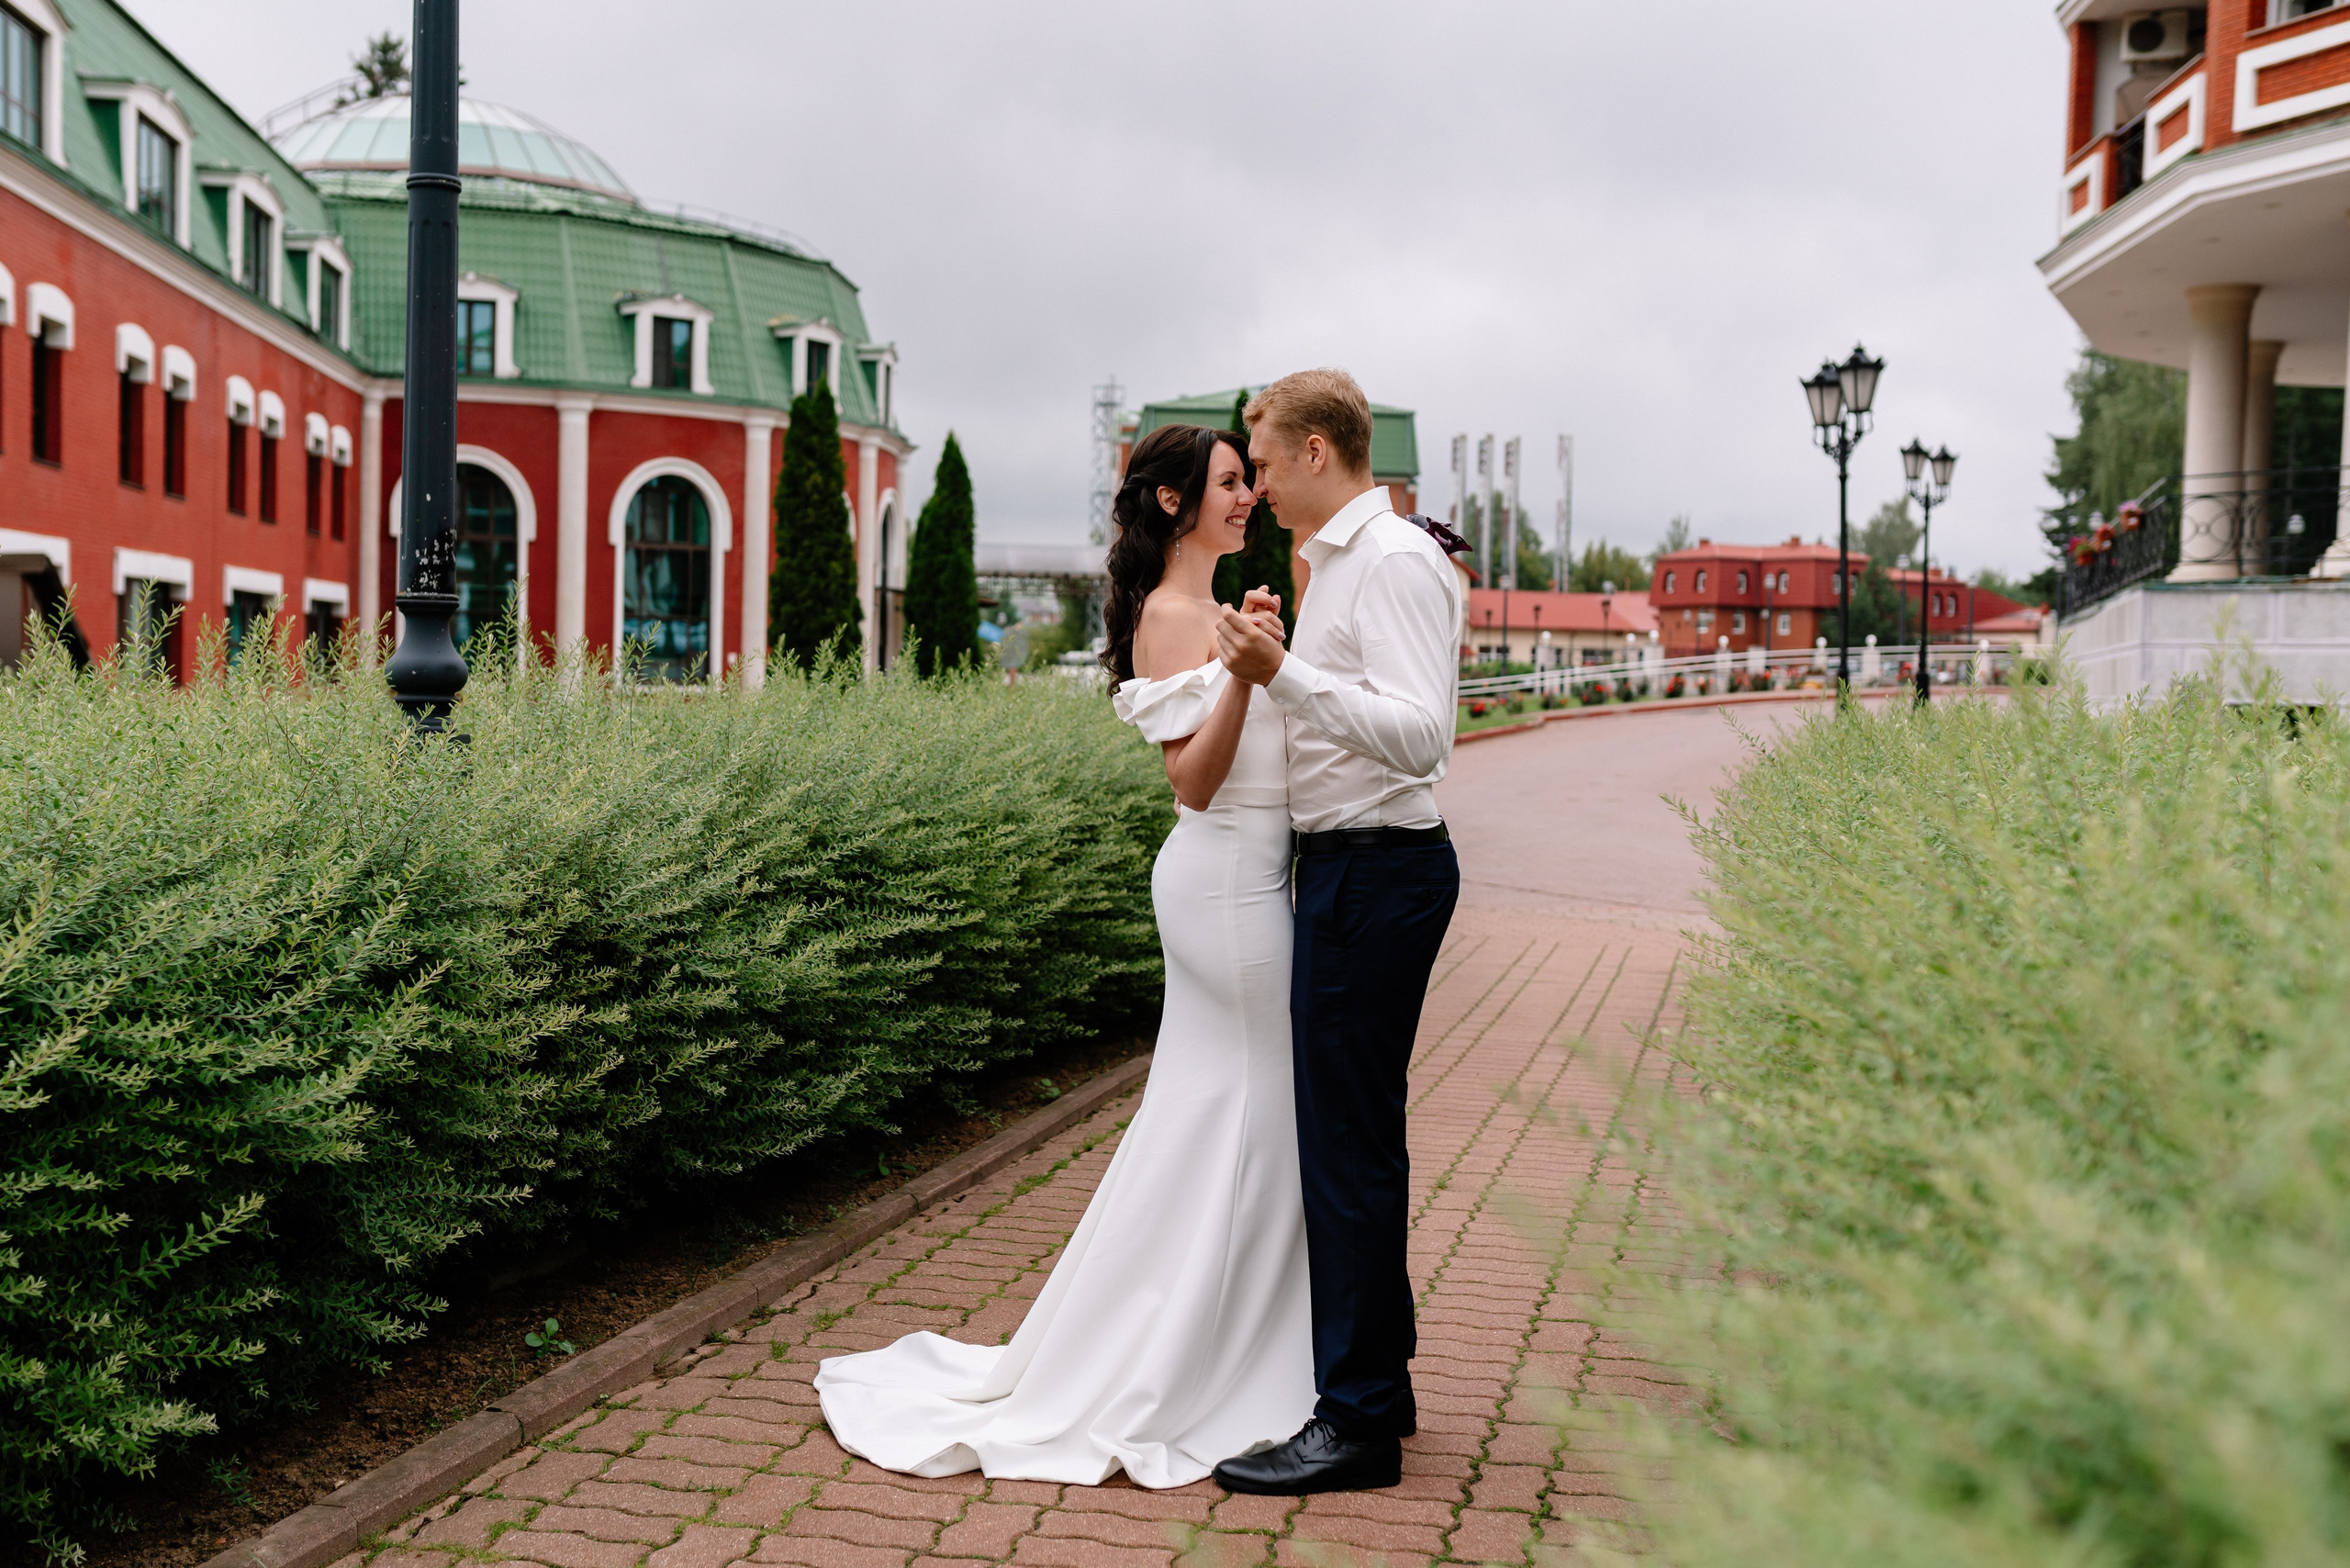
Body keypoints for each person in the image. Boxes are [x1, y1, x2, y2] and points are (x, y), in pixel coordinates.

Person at [812, 422, 1315, 1486]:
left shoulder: (1209, 611)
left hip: (1244, 882)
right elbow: (1194, 780)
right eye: (1229, 483)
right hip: (1226, 888)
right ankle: (1209, 1361)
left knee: (1217, 1116)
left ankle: (1215, 1341)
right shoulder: (1175, 620)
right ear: (1175, 503)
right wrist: (1243, 674)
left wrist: (1263, 650)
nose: (1245, 497)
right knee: (1250, 1114)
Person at [1206, 368, 1463, 1495]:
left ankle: (1354, 1421)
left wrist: (1285, 675)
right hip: (1351, 873)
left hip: (1375, 873)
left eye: (1261, 462)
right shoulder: (1342, 562)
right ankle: (1378, 1389)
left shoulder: (1395, 561)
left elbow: (1422, 737)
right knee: (1357, 1140)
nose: (1254, 484)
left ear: (1317, 452)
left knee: (1346, 1150)